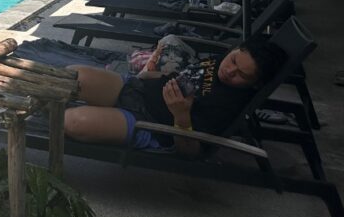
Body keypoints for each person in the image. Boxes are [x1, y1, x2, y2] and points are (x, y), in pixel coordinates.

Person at [63, 36, 286, 156]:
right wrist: (150, 74)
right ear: (236, 49)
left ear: (254, 84)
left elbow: (191, 152)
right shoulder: (222, 61)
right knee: (71, 75)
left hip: (149, 124)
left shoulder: (227, 105)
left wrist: (181, 115)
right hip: (138, 89)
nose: (229, 71)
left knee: (73, 122)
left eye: (241, 75)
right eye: (234, 60)